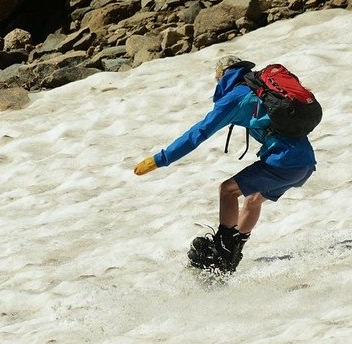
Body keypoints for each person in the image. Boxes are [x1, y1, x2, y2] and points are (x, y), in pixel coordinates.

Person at [133, 55, 317, 273]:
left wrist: (160, 159)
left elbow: (198, 133)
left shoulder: (235, 97)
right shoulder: (261, 89)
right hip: (304, 164)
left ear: (222, 76)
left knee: (227, 190)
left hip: (283, 162)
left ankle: (224, 250)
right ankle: (234, 249)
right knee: (253, 199)